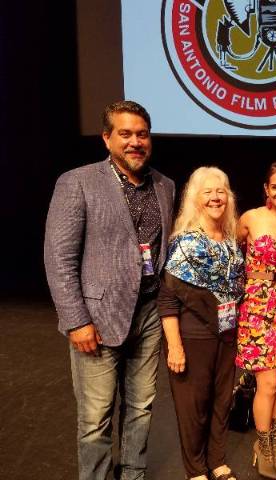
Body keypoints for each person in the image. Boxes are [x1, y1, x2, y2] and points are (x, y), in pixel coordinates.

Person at [44, 100, 175, 480]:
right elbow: (59, 258)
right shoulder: (77, 182)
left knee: (141, 408)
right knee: (95, 418)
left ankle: (132, 475)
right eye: (126, 134)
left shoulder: (165, 186)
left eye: (142, 134)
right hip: (97, 320)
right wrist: (76, 321)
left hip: (148, 315)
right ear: (106, 138)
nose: (136, 142)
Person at [157, 167, 244, 480]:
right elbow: (167, 301)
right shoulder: (183, 244)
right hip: (193, 337)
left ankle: (217, 461)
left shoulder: (232, 242)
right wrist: (175, 347)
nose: (215, 197)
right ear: (195, 199)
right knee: (194, 408)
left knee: (222, 402)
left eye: (220, 191)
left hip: (226, 333)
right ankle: (195, 470)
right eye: (207, 192)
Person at [235, 161, 276, 479]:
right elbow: (231, 251)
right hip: (257, 305)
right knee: (268, 381)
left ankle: (275, 444)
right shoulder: (249, 218)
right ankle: (263, 447)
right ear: (266, 189)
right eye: (275, 186)